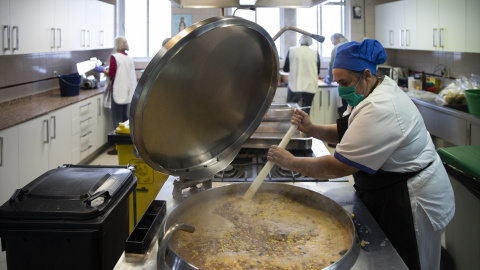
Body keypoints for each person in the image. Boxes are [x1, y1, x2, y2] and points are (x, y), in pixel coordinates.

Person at [267, 39, 455, 270]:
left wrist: (291, 162)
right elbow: (348, 132)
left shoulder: (381, 106)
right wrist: (312, 128)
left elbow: (338, 167)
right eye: (338, 82)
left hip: (414, 196)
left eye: (344, 82)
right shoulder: (367, 92)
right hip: (392, 188)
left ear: (366, 75)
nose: (341, 88)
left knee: (413, 262)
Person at [94, 36, 137, 155]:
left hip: (117, 91)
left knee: (117, 120)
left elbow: (112, 73)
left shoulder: (115, 57)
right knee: (125, 121)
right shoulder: (128, 57)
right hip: (127, 92)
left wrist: (102, 70)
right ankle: (126, 146)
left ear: (117, 45)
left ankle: (117, 148)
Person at [283, 35, 320, 115]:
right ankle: (304, 126)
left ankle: (290, 126)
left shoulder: (292, 50)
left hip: (295, 84)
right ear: (310, 42)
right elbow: (318, 70)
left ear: (300, 41)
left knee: (291, 110)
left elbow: (285, 69)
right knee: (305, 111)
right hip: (310, 85)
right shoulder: (315, 52)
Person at [324, 33, 349, 118]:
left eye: (332, 41)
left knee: (342, 109)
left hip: (343, 82)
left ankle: (342, 130)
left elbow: (332, 65)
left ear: (335, 39)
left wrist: (329, 79)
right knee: (351, 109)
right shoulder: (352, 45)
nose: (332, 43)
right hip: (354, 84)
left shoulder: (337, 48)